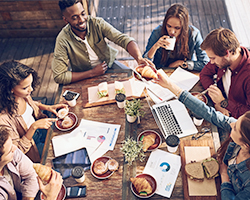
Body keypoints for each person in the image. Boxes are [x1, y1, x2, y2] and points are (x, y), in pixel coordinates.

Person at [154, 71, 250, 199]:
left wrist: (224, 176)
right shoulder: (243, 130)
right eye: (236, 121)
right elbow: (208, 113)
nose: (231, 124)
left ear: (245, 145)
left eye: (235, 128)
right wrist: (170, 86)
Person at [52, 0, 151, 85]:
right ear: (66, 20)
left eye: (83, 14)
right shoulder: (62, 40)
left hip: (109, 65)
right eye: (75, 18)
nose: (81, 20)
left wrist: (139, 58)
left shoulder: (97, 23)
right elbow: (59, 76)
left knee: (134, 79)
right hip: (83, 76)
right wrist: (92, 73)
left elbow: (124, 39)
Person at [0, 61, 67, 163]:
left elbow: (32, 104)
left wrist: (48, 107)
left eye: (30, 84)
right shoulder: (3, 119)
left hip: (41, 128)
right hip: (31, 148)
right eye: (25, 87)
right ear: (10, 89)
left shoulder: (23, 95)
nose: (31, 89)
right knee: (61, 153)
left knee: (66, 133)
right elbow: (16, 152)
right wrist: (33, 127)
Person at [0, 126, 63, 200]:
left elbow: (31, 174)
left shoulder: (12, 151)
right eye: (10, 150)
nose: (15, 148)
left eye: (12, 145)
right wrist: (50, 197)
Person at [199, 28, 250, 119]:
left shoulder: (248, 76)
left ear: (227, 53)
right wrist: (217, 101)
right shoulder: (225, 59)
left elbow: (248, 114)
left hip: (236, 123)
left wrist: (223, 102)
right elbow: (204, 74)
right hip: (221, 110)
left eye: (213, 58)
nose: (211, 62)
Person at [143, 3, 209, 71]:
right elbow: (144, 63)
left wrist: (182, 63)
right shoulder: (157, 33)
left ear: (184, 27)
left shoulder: (194, 34)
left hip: (185, 72)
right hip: (162, 71)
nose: (172, 31)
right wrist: (155, 47)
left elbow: (205, 62)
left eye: (177, 28)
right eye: (169, 26)